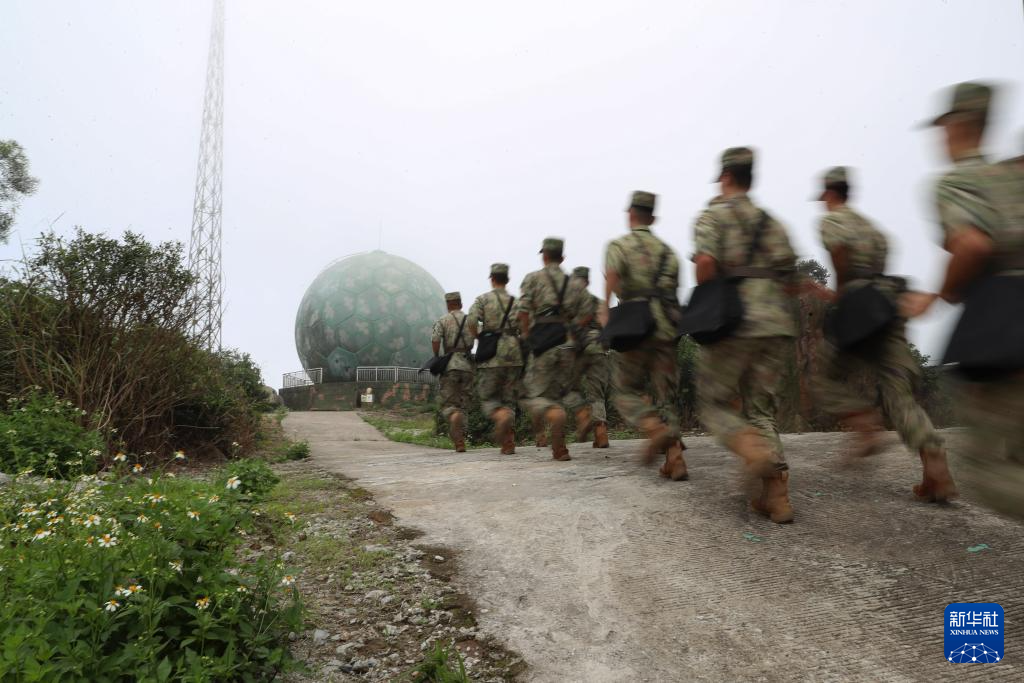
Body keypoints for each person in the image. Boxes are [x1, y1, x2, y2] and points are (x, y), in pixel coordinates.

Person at [902, 82, 1024, 518]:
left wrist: (940, 294)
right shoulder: (1014, 175)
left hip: (1005, 319)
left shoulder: (957, 181)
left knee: (988, 467)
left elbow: (972, 244)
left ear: (955, 125)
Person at [811, 166, 956, 502]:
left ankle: (864, 422)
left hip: (859, 306)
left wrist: (841, 292)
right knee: (898, 392)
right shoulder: (873, 229)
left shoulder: (832, 220)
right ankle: (935, 467)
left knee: (825, 377)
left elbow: (841, 258)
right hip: (887, 305)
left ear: (829, 193)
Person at [692, 148, 797, 523]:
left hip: (734, 320)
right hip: (775, 323)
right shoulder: (773, 223)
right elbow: (791, 276)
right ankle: (777, 496)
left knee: (715, 404)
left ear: (725, 177)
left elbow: (706, 262)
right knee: (761, 410)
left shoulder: (713, 215)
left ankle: (754, 453)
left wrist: (707, 298)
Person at [602, 191, 687, 479]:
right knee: (666, 396)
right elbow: (673, 292)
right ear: (652, 218)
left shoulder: (619, 246)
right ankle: (675, 459)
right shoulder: (669, 253)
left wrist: (605, 308)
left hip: (635, 324)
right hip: (666, 327)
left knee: (625, 390)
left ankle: (655, 428)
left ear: (630, 214)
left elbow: (613, 275)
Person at [517, 237, 588, 461]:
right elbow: (586, 314)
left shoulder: (533, 278)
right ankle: (563, 442)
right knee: (563, 393)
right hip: (568, 343)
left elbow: (523, 312)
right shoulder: (574, 284)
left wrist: (527, 336)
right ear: (562, 257)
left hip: (544, 340)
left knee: (535, 394)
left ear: (544, 256)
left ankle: (557, 419)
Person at [467, 263, 522, 455]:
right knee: (509, 399)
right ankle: (509, 442)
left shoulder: (483, 299)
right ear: (507, 279)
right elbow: (526, 323)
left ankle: (500, 416)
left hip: (491, 353)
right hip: (513, 352)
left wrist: (478, 336)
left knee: (489, 397)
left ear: (492, 279)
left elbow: (471, 320)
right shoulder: (516, 302)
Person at [569, 266, 611, 449]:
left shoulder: (569, 305)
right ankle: (601, 434)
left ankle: (582, 414)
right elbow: (607, 328)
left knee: (569, 389)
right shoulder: (598, 303)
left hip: (576, 349)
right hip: (597, 348)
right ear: (588, 281)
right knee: (597, 395)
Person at [431, 292, 474, 453]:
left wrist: (437, 356)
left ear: (448, 305)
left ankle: (458, 438)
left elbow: (435, 339)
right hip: (468, 366)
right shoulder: (471, 320)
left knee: (450, 404)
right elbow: (480, 335)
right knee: (464, 403)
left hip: (450, 366)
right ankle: (462, 438)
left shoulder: (443, 320)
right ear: (461, 304)